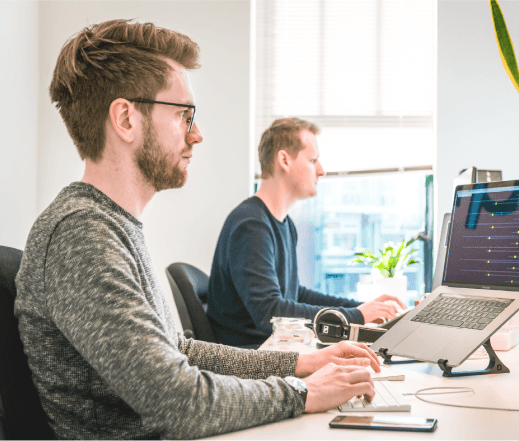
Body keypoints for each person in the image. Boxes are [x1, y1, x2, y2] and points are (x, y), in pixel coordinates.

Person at [14, 19, 382, 440]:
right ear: (126, 119)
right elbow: (179, 401)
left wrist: (300, 364)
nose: (198, 134)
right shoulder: (81, 234)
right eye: (185, 116)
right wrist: (301, 393)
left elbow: (179, 352)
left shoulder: (112, 225)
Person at [207, 117, 406, 348]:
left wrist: (360, 309)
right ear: (284, 160)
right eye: (313, 160)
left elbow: (295, 295)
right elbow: (271, 315)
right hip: (253, 359)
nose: (321, 170)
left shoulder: (282, 224)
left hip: (277, 349)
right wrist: (357, 316)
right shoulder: (251, 226)